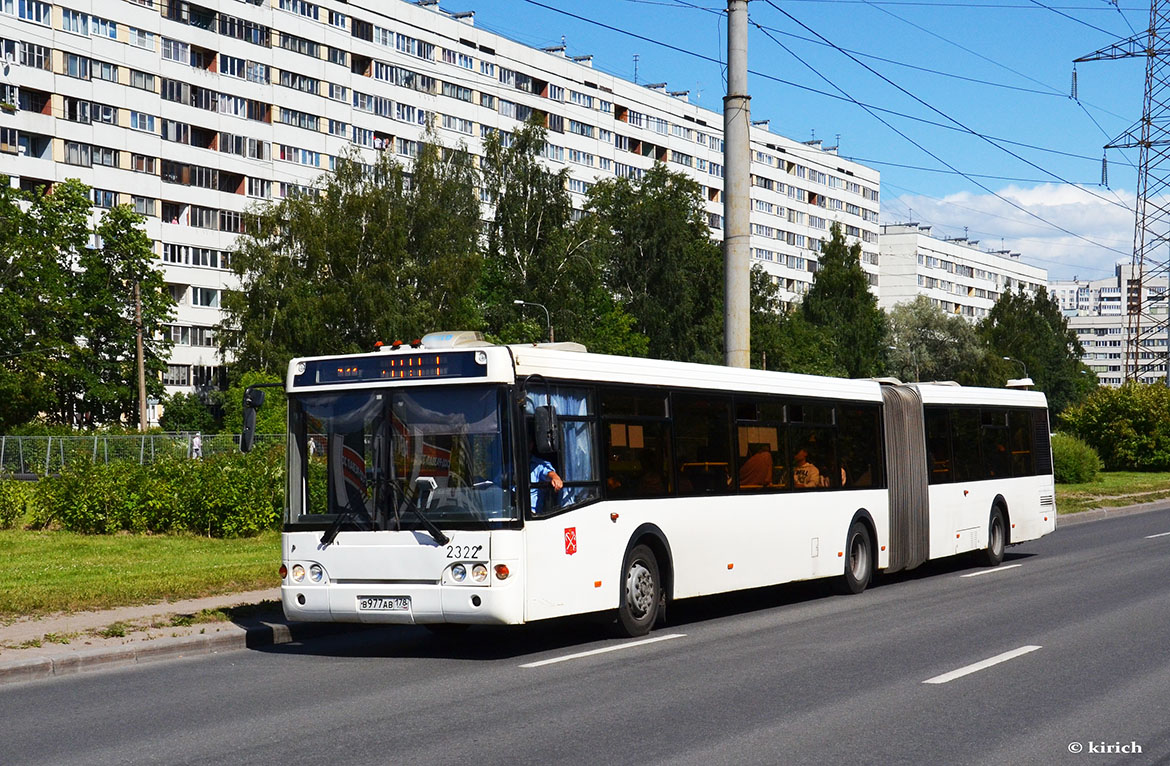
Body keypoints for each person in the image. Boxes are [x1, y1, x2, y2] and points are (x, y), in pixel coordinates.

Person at [529, 441, 563, 514]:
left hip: (532, 514)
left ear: (531, 445)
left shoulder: (538, 465)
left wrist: (555, 478)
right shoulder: (509, 467)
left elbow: (548, 473)